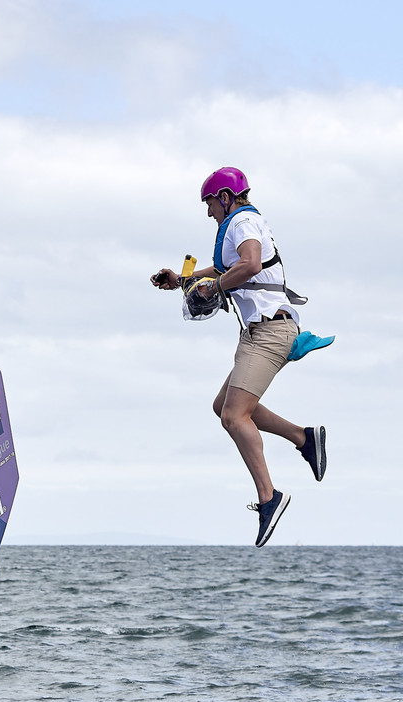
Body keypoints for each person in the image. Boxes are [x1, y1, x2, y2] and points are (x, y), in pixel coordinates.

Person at [153, 167, 328, 547]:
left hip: (269, 331)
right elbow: (227, 268)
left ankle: (270, 497)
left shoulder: (243, 221)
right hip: (260, 332)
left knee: (235, 415)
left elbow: (248, 264)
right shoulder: (238, 223)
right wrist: (181, 281)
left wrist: (213, 287)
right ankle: (304, 438)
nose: (209, 212)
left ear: (227, 198)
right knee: (224, 406)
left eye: (211, 203)